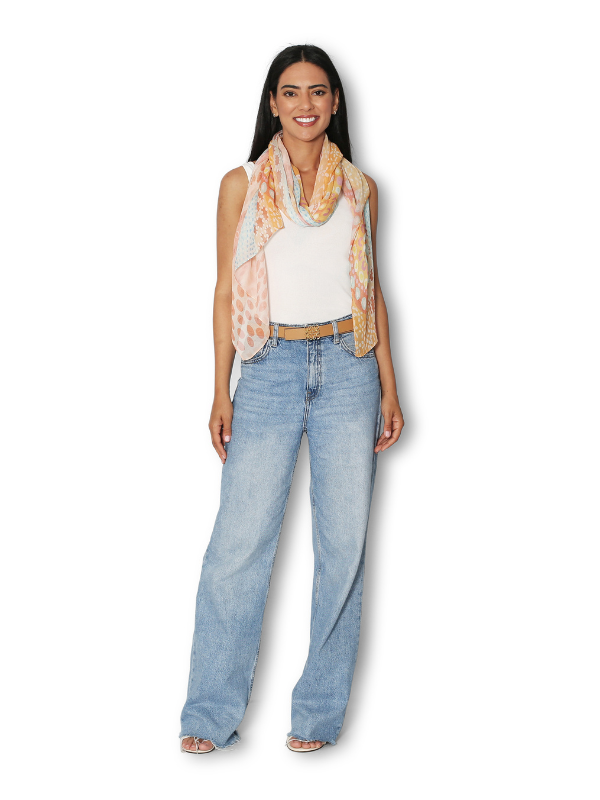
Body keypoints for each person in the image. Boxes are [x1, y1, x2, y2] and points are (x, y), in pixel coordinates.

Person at [179, 43, 404, 754]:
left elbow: (372, 289)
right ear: (273, 105)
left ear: (335, 102)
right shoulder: (242, 183)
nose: (305, 104)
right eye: (291, 92)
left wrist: (390, 384)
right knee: (238, 546)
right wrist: (221, 388)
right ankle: (209, 714)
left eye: (318, 91)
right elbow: (225, 291)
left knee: (344, 547)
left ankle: (317, 715)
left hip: (349, 367)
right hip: (269, 366)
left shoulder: (360, 187)